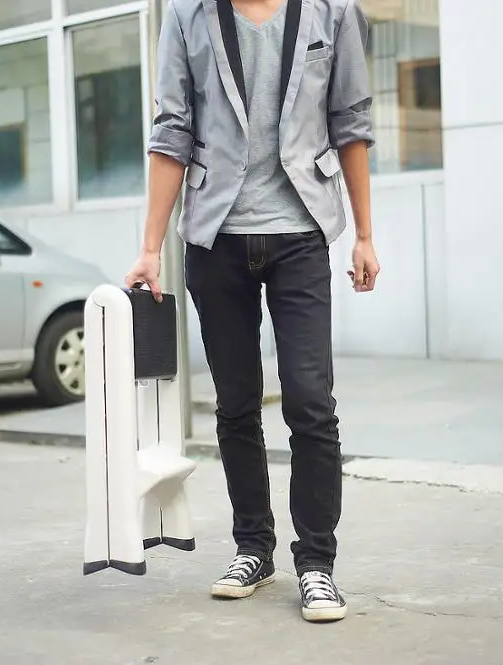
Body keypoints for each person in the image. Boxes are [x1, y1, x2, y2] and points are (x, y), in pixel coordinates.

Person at [124, 0, 379, 623]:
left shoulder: (332, 12)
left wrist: (365, 235)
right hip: (217, 238)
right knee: (236, 405)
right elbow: (171, 129)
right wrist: (151, 248)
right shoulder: (187, 15)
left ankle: (316, 564)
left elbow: (350, 123)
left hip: (301, 234)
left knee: (310, 402)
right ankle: (254, 549)